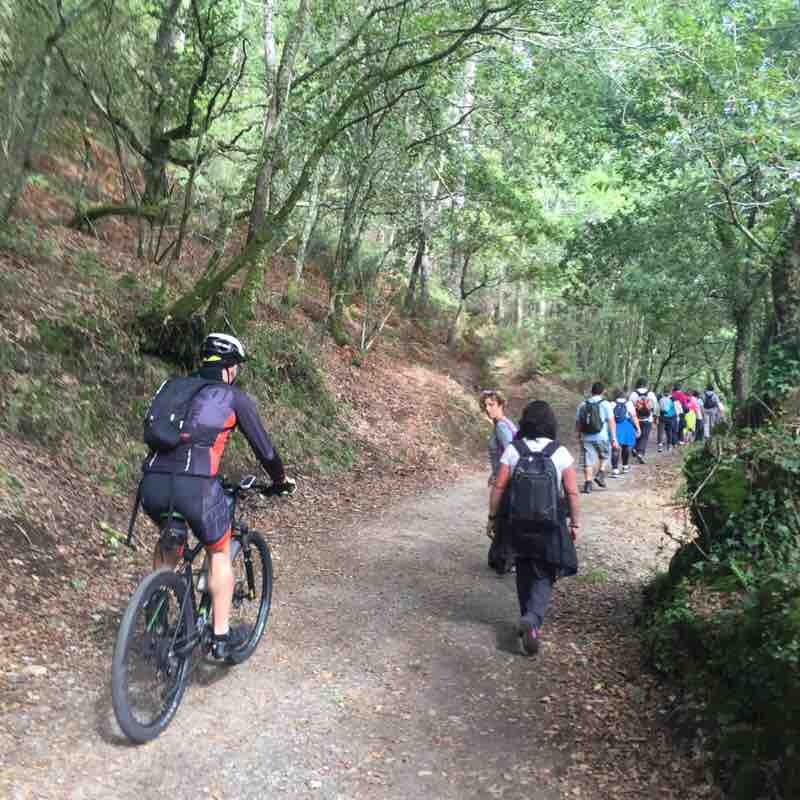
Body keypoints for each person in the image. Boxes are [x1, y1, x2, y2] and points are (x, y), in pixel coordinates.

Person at [139, 333, 296, 659]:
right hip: (195, 486)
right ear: (231, 367)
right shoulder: (232, 397)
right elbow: (265, 450)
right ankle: (220, 637)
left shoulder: (174, 387)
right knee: (219, 551)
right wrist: (280, 480)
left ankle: (155, 612)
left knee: (171, 536)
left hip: (152, 484)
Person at [489, 400, 579, 656]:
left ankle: (526, 618)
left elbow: (499, 486)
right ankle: (532, 618)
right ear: (551, 423)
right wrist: (575, 521)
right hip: (550, 523)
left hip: (516, 522)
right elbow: (572, 492)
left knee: (524, 567)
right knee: (547, 570)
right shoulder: (560, 452)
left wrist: (493, 517)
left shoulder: (513, 450)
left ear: (525, 422)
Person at [481, 390, 518, 575]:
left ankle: (507, 560)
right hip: (505, 477)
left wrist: (499, 476)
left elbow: (511, 453)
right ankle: (503, 558)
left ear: (501, 405)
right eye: (486, 405)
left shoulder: (502, 426)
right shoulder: (504, 424)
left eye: (491, 405)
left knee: (502, 518)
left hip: (507, 480)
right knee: (504, 519)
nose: (488, 409)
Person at [576, 382, 617, 494]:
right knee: (605, 455)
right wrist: (614, 438)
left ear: (591, 391)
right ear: (603, 391)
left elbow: (578, 422)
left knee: (587, 460)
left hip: (586, 437)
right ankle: (601, 473)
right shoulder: (605, 404)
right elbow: (611, 421)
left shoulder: (582, 404)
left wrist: (579, 434)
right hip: (602, 436)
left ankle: (588, 484)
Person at [611, 389, 640, 476]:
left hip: (615, 426)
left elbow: (609, 418)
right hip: (627, 426)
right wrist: (638, 428)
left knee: (615, 448)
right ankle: (625, 466)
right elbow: (634, 416)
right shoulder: (628, 403)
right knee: (626, 447)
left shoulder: (612, 404)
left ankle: (615, 469)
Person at [629, 378, 658, 463]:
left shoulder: (633, 394)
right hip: (648, 418)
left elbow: (629, 406)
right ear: (645, 384)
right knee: (644, 436)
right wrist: (655, 417)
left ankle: (634, 448)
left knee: (636, 434)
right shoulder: (651, 393)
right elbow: (655, 406)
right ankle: (640, 453)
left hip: (635, 418)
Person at [658, 387, 677, 452]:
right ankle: (669, 446)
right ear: (669, 393)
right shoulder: (672, 400)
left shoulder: (661, 399)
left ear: (663, 392)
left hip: (662, 417)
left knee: (661, 431)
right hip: (670, 417)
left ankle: (660, 446)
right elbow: (675, 409)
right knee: (669, 432)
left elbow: (659, 408)